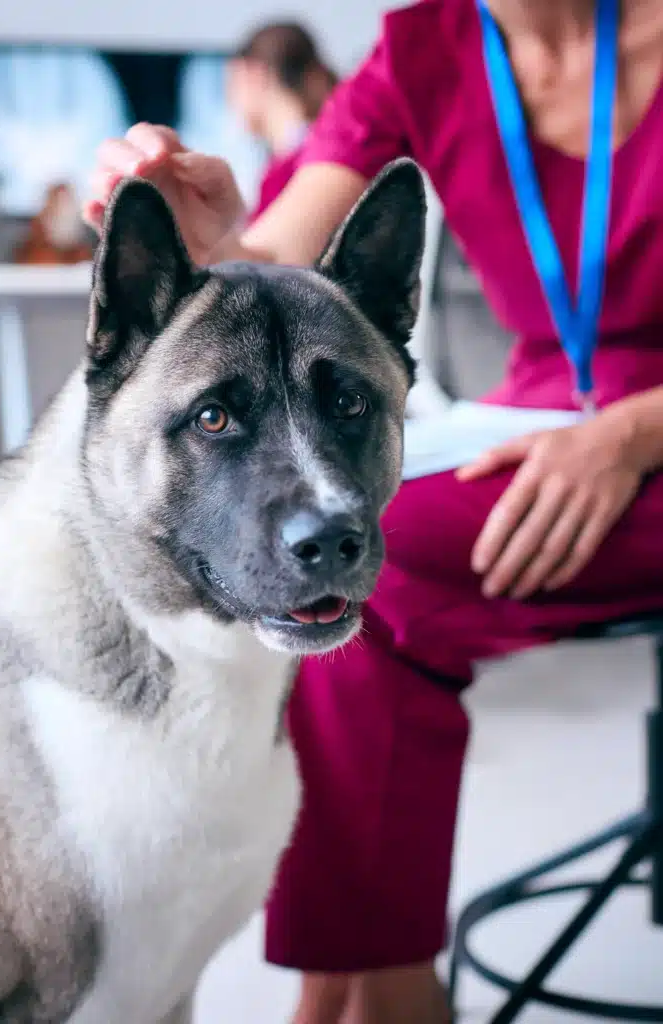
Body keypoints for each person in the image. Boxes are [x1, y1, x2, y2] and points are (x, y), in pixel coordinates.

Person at [85, 0, 663, 1020]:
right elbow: (272, 260)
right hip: (530, 422)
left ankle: (362, 994)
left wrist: (628, 435)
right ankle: (377, 985)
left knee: (368, 566)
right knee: (341, 560)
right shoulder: (424, 46)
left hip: (637, 424)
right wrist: (209, 231)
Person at [225, 22, 337, 220]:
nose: (230, 101)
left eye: (230, 85)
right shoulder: (325, 149)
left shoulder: (290, 171)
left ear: (252, 75)